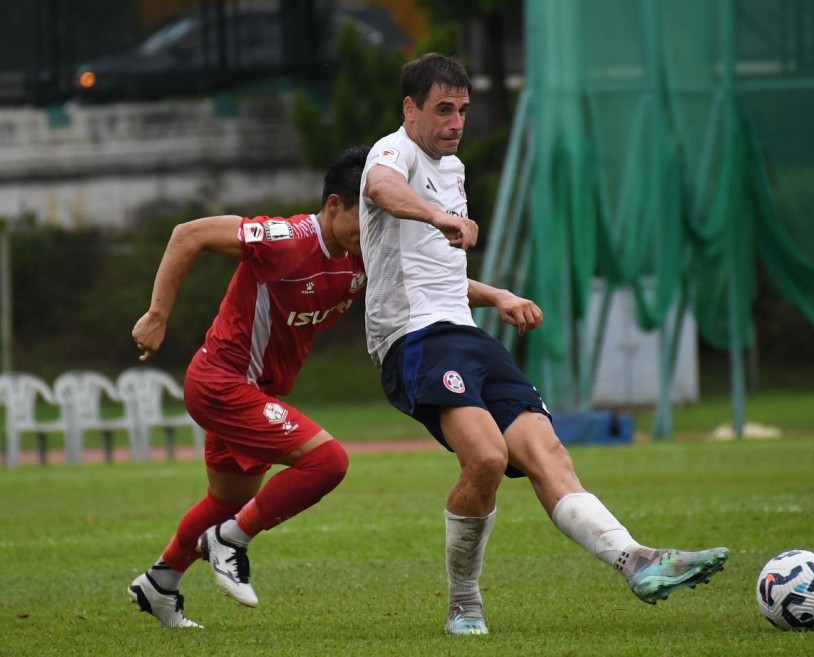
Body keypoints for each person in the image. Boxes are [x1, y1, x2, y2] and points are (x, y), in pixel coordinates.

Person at [358, 53, 730, 636]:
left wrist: (497, 294)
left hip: (463, 332)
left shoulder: (450, 169)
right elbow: (381, 188)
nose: (455, 123)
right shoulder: (393, 153)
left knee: (547, 453)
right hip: (415, 340)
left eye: (463, 110)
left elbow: (433, 270)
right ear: (410, 109)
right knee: (485, 457)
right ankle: (464, 602)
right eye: (442, 110)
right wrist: (437, 216)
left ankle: (635, 560)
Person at [127, 145, 370, 628]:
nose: (373, 233)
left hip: (257, 394)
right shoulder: (285, 238)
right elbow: (188, 234)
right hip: (221, 382)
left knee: (227, 500)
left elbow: (431, 283)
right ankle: (230, 540)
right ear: (335, 206)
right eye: (367, 219)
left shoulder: (366, 255)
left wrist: (498, 297)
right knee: (328, 461)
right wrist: (157, 315)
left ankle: (160, 583)